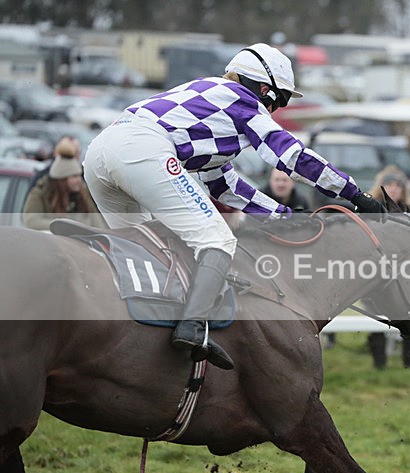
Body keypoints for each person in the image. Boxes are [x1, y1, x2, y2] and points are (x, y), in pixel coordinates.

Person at [82, 43, 388, 370]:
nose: (275, 111)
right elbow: (292, 157)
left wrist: (280, 214)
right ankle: (192, 327)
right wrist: (356, 194)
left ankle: (134, 336)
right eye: (280, 101)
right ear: (265, 89)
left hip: (100, 152)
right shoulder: (243, 101)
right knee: (218, 240)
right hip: (141, 150)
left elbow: (223, 185)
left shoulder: (212, 101)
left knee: (146, 248)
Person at [365, 166, 410, 369]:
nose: (394, 189)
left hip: (405, 276)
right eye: (389, 184)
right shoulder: (370, 209)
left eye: (398, 185)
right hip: (374, 275)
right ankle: (379, 366)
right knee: (376, 320)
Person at [23, 138, 106, 231]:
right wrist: (62, 226)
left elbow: (97, 223)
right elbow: (31, 221)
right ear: (63, 179)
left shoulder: (83, 193)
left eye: (78, 175)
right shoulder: (41, 193)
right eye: (74, 176)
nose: (78, 180)